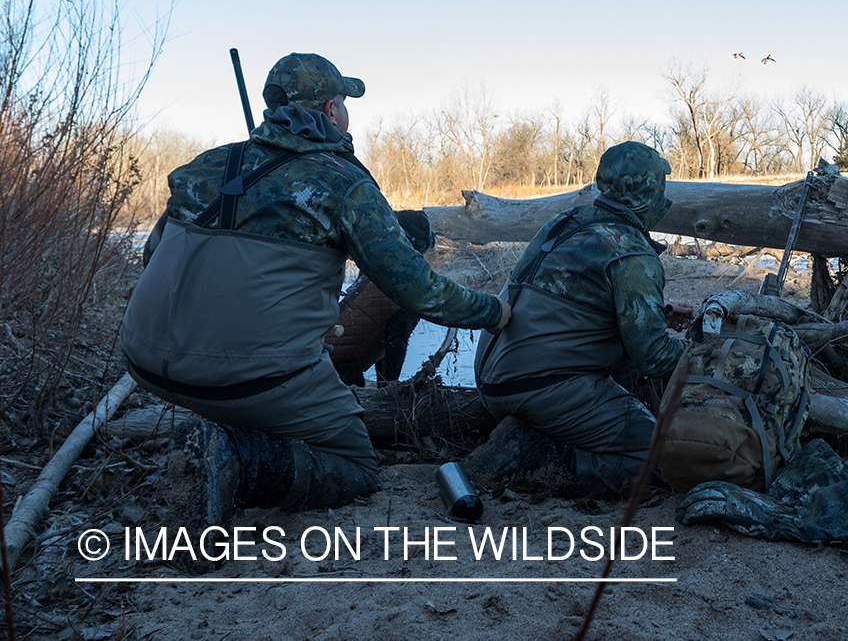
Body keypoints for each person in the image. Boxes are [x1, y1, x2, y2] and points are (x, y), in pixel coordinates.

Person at [120, 53, 510, 533]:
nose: (346, 113)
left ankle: (231, 427)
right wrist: (493, 312)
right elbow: (418, 290)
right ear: (330, 111)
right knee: (356, 466)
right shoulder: (342, 181)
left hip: (144, 361)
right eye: (343, 102)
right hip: (250, 377)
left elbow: (152, 257)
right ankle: (237, 459)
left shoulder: (206, 167)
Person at [466, 141, 693, 497]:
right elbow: (653, 355)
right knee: (666, 459)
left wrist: (658, 316)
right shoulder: (629, 250)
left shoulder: (569, 221)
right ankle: (529, 458)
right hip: (538, 386)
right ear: (650, 192)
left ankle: (534, 431)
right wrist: (704, 355)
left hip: (495, 377)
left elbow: (571, 306)